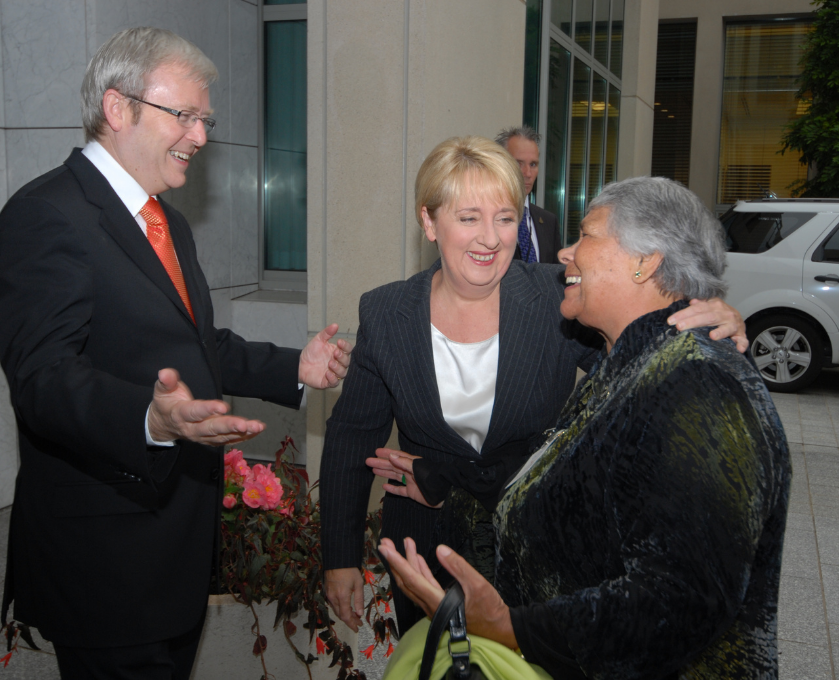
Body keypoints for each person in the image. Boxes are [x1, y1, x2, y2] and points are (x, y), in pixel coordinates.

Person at [0, 27, 350, 679]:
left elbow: (194, 343)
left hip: (174, 549)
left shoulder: (167, 221)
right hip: (106, 560)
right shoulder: (45, 215)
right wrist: (150, 420)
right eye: (184, 116)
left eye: (205, 119)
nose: (202, 137)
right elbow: (43, 379)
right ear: (118, 109)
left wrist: (292, 367)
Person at [319, 136, 747, 637]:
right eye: (468, 218)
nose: (490, 238)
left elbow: (638, 354)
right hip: (425, 549)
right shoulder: (387, 313)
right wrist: (339, 557)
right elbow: (351, 437)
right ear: (429, 221)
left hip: (535, 553)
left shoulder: (557, 295)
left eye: (505, 217)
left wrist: (703, 315)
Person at [378, 176, 790, 679]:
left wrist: (510, 628)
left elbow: (681, 600)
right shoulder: (628, 363)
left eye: (587, 236)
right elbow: (577, 510)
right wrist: (450, 494)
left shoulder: (699, 380)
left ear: (647, 261)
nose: (566, 252)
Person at [495, 126, 560, 264]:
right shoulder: (486, 218)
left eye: (533, 164)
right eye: (519, 164)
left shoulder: (549, 222)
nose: (528, 173)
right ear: (499, 163)